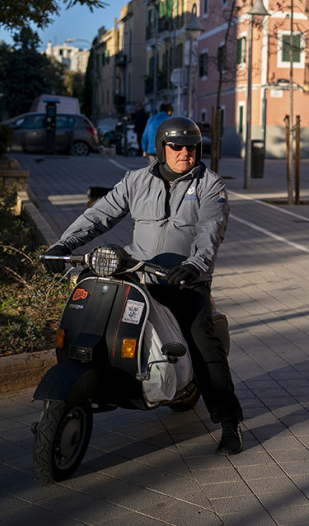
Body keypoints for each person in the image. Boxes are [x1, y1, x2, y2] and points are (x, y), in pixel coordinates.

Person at [44, 117, 244, 455]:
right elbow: (101, 214)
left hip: (185, 281)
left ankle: (229, 423)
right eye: (176, 146)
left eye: (192, 146)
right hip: (140, 276)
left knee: (203, 346)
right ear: (161, 148)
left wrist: (194, 266)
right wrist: (63, 245)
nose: (185, 153)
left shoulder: (210, 185)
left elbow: (211, 229)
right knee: (98, 318)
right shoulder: (136, 181)